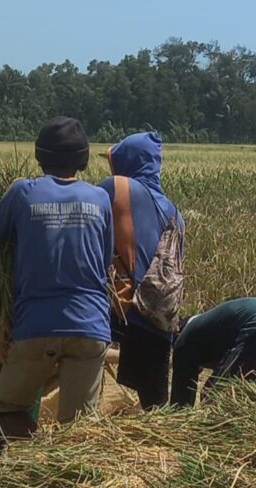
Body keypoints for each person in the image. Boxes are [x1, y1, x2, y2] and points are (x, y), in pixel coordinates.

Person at [0, 116, 113, 437]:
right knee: (79, 431)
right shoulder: (100, 198)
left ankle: (34, 463)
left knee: (7, 406)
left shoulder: (23, 193)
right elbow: (104, 262)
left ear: (40, 156)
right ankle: (61, 475)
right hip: (91, 328)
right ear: (83, 159)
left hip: (38, 327)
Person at [98, 132, 184, 410]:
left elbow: (84, 212)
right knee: (154, 405)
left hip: (119, 309)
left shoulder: (119, 186)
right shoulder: (174, 211)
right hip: (158, 315)